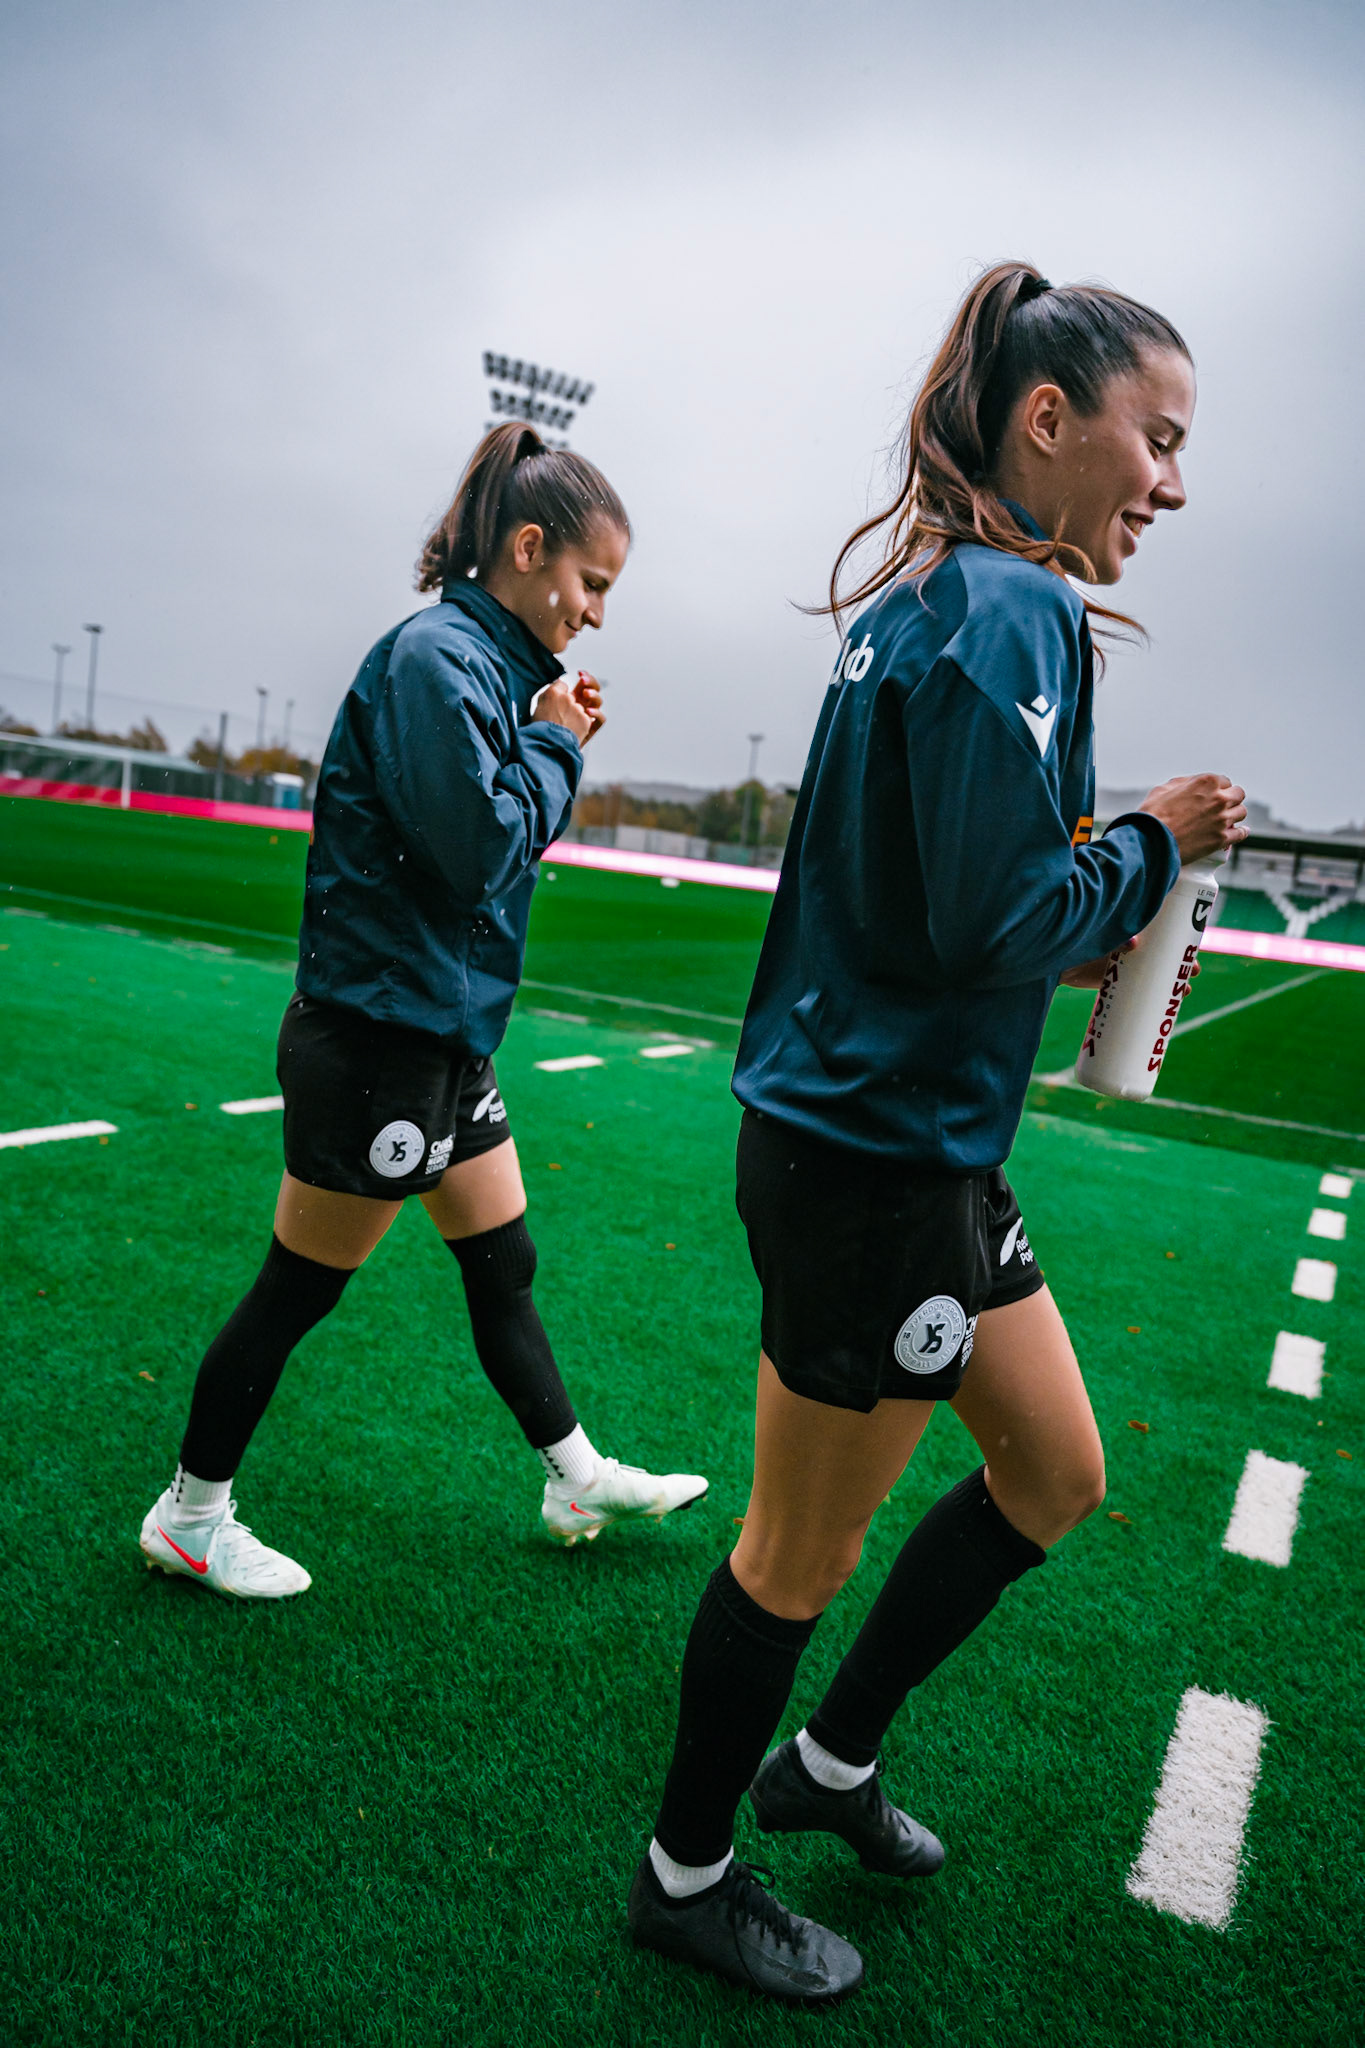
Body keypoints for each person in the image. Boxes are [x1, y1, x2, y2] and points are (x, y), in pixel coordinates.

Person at [627, 262, 1247, 2004]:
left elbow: (954, 914)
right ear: (1051, 420)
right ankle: (685, 1873)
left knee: (1055, 1471)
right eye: (1162, 439)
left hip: (923, 1155)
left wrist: (1096, 893)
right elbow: (991, 916)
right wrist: (1146, 843)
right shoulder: (1003, 608)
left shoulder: (946, 599)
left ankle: (826, 1765)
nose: (1175, 485)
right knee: (792, 1554)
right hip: (872, 1171)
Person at [140, 423, 707, 1600]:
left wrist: (551, 726)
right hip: (378, 1038)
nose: (597, 610)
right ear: (530, 547)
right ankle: (192, 1514)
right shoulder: (436, 659)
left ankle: (573, 1473)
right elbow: (478, 847)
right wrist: (556, 742)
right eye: (592, 582)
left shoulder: (493, 664)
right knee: (296, 1288)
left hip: (441, 1035)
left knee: (504, 1261)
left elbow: (494, 818)